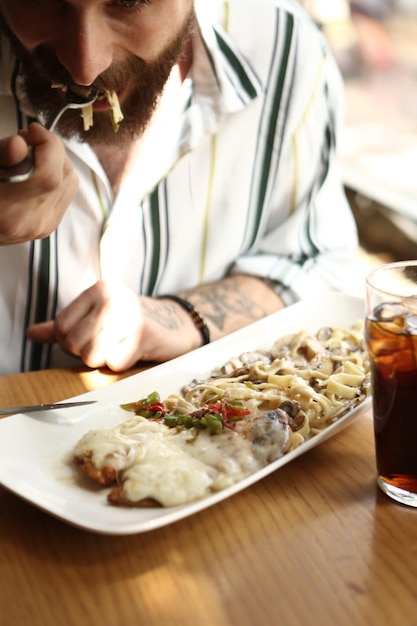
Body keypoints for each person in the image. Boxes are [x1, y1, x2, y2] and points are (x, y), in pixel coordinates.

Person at [0, 0, 358, 375]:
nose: (86, 67)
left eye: (128, 2)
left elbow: (315, 263)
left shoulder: (284, 51)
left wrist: (183, 317)